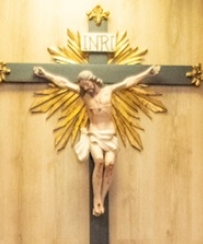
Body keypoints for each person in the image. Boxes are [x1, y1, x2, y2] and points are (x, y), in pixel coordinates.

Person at [32, 63, 160, 217]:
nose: (86, 89)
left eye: (86, 85)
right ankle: (96, 199)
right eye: (83, 87)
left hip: (110, 134)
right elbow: (63, 83)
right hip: (95, 134)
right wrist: (45, 74)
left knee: (110, 164)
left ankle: (102, 197)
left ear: (92, 80)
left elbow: (128, 82)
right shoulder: (84, 95)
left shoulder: (108, 90)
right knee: (99, 161)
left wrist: (147, 73)